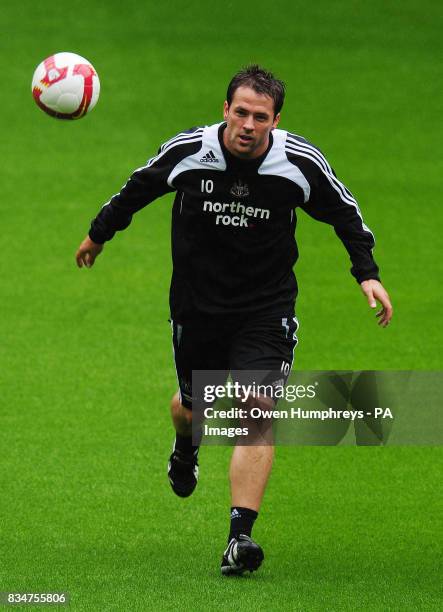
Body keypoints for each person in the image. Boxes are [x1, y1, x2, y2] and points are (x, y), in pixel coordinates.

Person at [75, 65, 393, 576]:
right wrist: (98, 235)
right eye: (240, 112)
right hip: (197, 309)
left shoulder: (297, 162)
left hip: (266, 310)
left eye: (260, 117)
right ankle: (186, 445)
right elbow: (135, 189)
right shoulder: (190, 153)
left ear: (276, 119)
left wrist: (367, 274)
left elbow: (345, 213)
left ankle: (239, 540)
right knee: (190, 408)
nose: (248, 124)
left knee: (254, 406)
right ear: (225, 110)